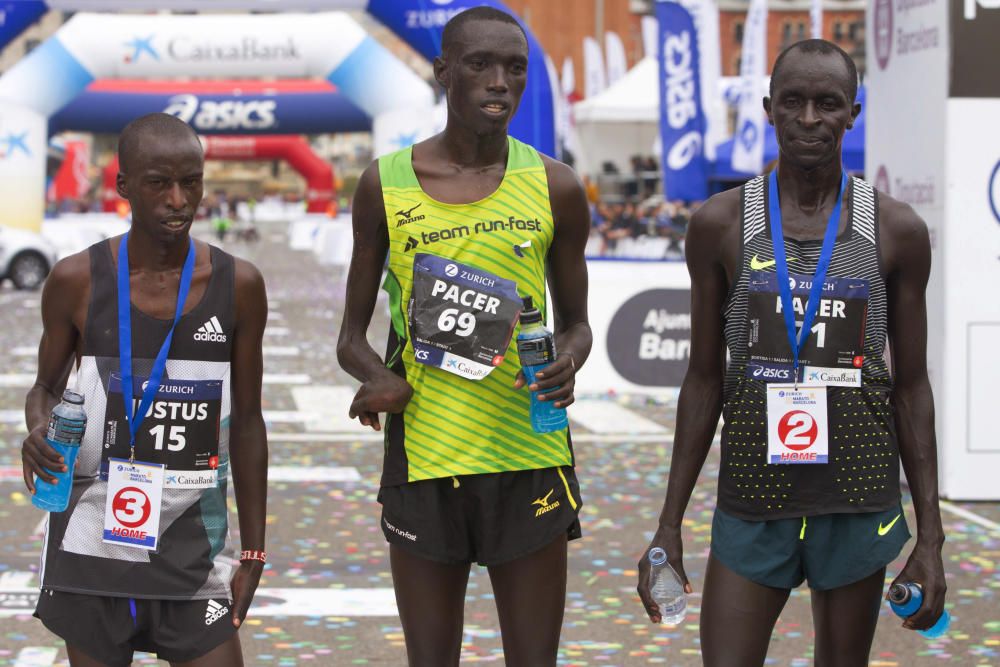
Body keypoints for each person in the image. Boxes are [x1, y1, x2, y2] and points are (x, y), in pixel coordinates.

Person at [637, 40, 946, 666]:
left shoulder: (896, 230)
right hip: (754, 498)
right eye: (793, 102)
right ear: (768, 109)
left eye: (828, 104)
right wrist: (668, 524)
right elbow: (703, 380)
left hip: (855, 499)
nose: (810, 119)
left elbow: (911, 386)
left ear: (852, 113)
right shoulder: (720, 223)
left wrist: (931, 539)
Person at [337, 7, 592, 666]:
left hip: (528, 449)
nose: (500, 82)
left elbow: (579, 325)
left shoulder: (555, 185)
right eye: (480, 64)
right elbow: (349, 337)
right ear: (443, 72)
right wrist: (379, 375)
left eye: (515, 68)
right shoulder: (385, 184)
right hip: (425, 458)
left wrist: (568, 358)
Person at [22, 113, 269, 666]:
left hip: (191, 547)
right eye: (159, 183)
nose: (178, 200)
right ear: (124, 186)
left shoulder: (240, 285)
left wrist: (252, 551)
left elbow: (249, 421)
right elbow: (43, 387)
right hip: (92, 538)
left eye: (192, 182)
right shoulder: (75, 280)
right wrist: (38, 428)